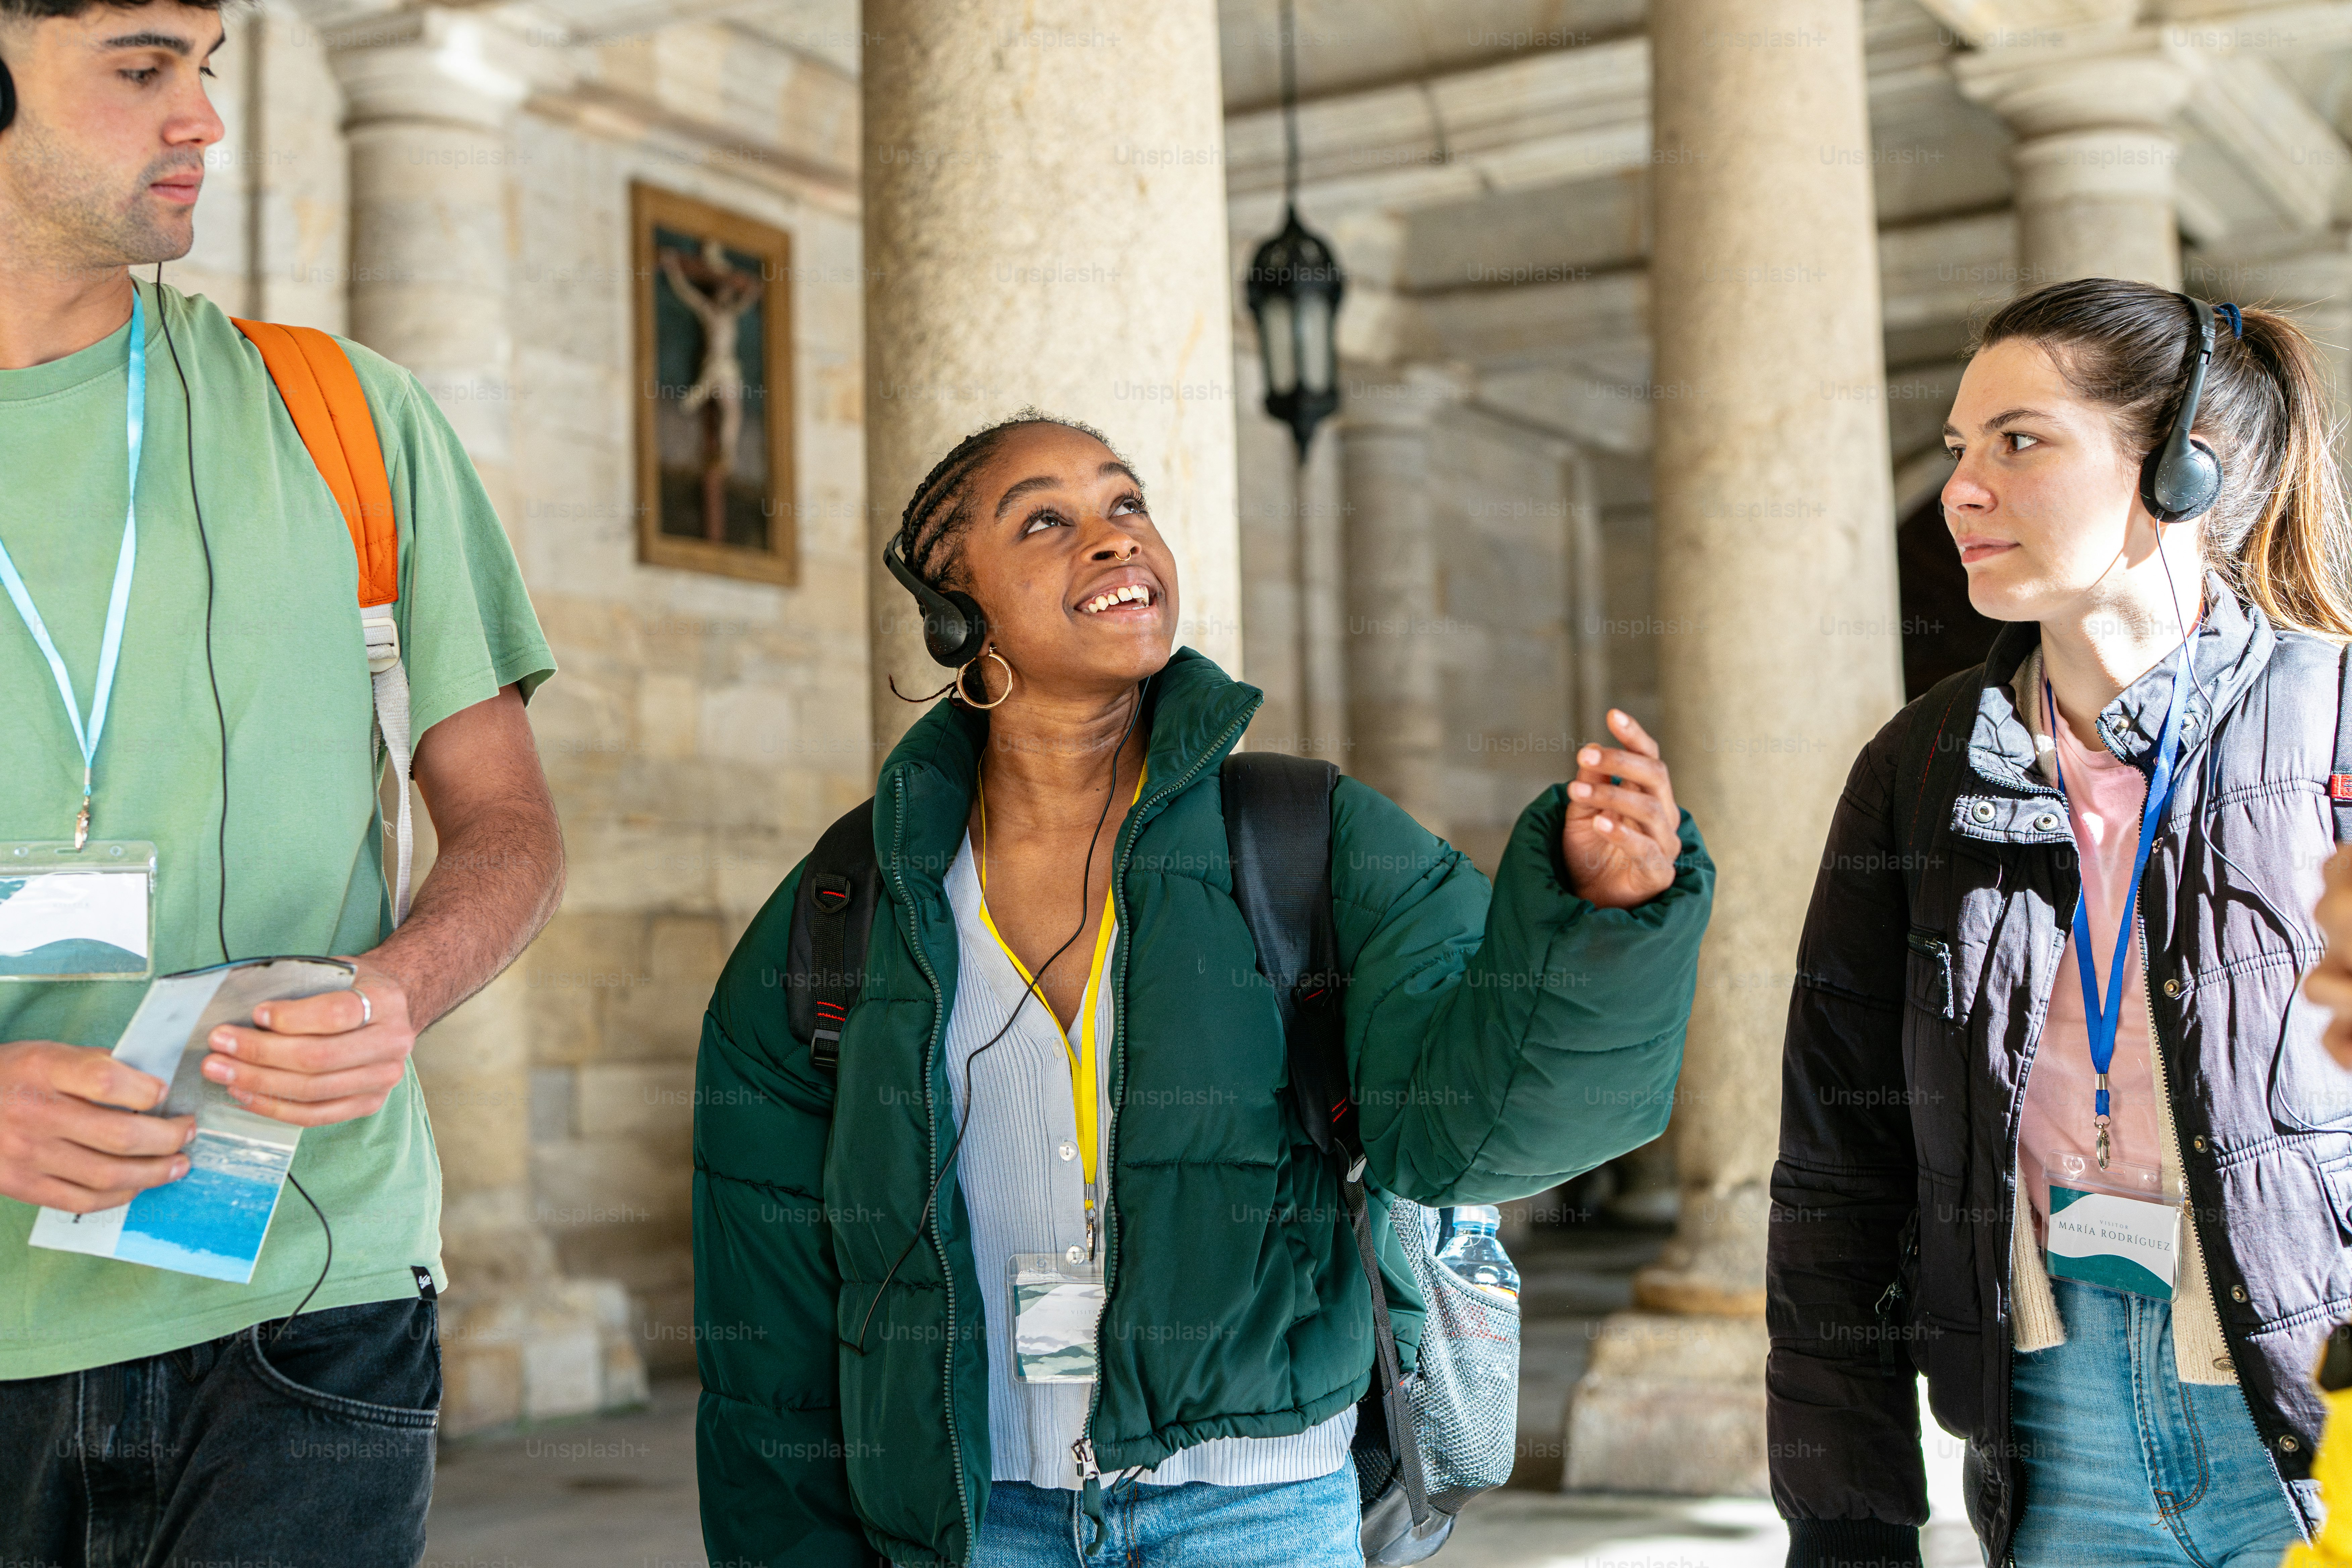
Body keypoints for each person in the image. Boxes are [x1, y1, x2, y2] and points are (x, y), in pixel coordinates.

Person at [692, 411, 1715, 1566]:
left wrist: (1597, 923)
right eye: (1048, 520)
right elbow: (766, 1342)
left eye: (1127, 506)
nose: (1114, 540)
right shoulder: (844, 908)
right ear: (953, 610)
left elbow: (1470, 1139)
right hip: (971, 1524)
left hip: (1260, 1513)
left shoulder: (1303, 837)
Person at [0, 1, 562, 1564]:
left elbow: (509, 825)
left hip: (309, 1315)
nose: (204, 120)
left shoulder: (347, 415)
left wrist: (401, 987)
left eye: (209, 67)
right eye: (140, 69)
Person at [1768, 276, 2352, 1568]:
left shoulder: (2337, 719)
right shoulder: (1917, 771)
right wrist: (1847, 1525)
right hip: (2054, 1430)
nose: (1962, 489)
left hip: (2317, 1421)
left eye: (2020, 442)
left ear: (2182, 473)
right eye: (1958, 452)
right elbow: (1836, 1174)